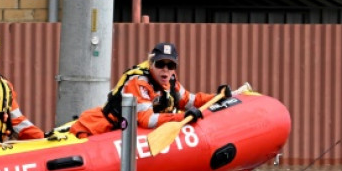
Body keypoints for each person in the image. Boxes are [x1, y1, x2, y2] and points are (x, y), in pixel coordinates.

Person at [69, 42, 230, 139]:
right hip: (100, 128)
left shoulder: (170, 82)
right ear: (151, 64)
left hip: (125, 132)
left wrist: (219, 96)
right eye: (160, 65)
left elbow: (190, 101)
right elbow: (147, 119)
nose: (165, 70)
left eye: (170, 66)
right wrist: (181, 117)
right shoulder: (138, 82)